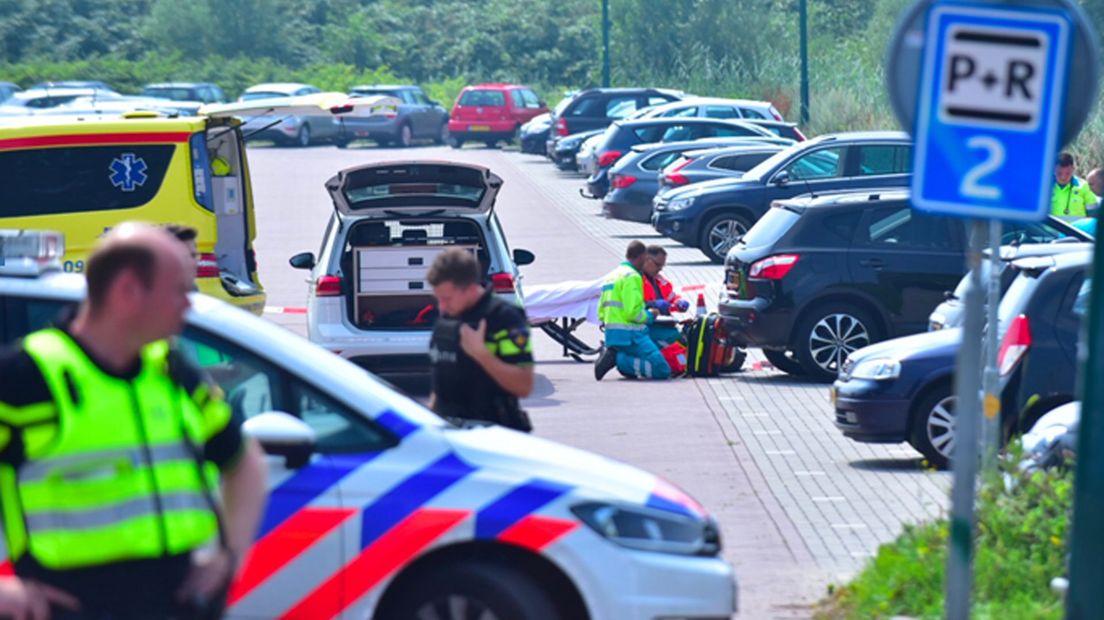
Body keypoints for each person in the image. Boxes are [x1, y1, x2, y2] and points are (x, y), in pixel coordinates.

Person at [0, 223, 268, 619]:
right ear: (128, 290)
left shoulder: (169, 369)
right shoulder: (28, 375)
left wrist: (227, 558)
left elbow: (244, 463)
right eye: (178, 290)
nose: (188, 305)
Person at [427, 248, 535, 432]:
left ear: (469, 289)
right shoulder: (448, 317)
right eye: (438, 299)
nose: (442, 307)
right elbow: (441, 386)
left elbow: (524, 386)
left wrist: (481, 354)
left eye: (447, 299)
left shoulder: (505, 318)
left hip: (494, 435)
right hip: (450, 433)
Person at [594, 241, 671, 381]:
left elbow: (601, 310)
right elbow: (633, 313)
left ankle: (617, 355)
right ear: (642, 257)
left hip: (613, 334)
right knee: (662, 369)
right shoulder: (633, 277)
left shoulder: (612, 275)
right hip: (632, 335)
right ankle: (620, 360)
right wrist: (650, 315)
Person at [641, 245, 689, 347]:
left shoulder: (660, 281)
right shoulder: (636, 280)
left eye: (662, 266)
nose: (660, 269)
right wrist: (652, 304)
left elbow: (671, 298)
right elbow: (632, 305)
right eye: (658, 265)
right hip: (647, 325)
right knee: (676, 341)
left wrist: (678, 302)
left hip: (663, 324)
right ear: (646, 260)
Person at [1050, 152, 1098, 220]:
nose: (1063, 177)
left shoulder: (1084, 186)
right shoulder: (1045, 188)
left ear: (1073, 169)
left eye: (1067, 173)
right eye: (1059, 173)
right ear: (1053, 170)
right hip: (1048, 230)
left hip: (1076, 230)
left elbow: (1093, 215)